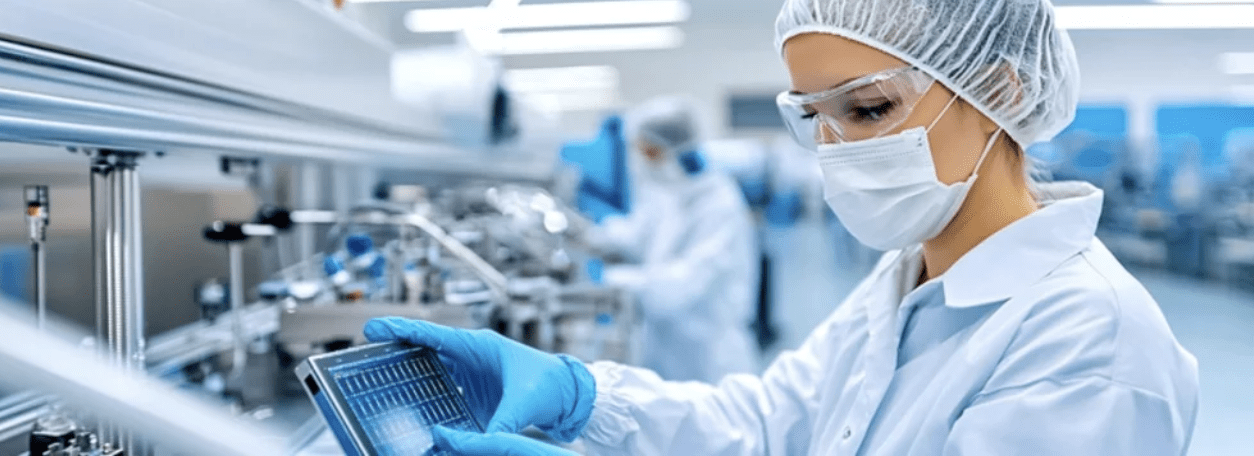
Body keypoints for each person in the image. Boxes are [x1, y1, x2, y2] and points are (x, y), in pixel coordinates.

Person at [366, 0, 1199, 454]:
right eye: (815, 118)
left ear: (1002, 92)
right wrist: (587, 397)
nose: (834, 151)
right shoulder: (911, 276)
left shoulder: (1087, 342)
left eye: (868, 109)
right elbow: (771, 425)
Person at [585, 97, 760, 383]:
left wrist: (609, 279)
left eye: (650, 153)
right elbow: (639, 236)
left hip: (708, 357)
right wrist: (594, 235)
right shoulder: (666, 191)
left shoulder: (720, 204)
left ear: (679, 151)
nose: (643, 162)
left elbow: (680, 287)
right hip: (663, 346)